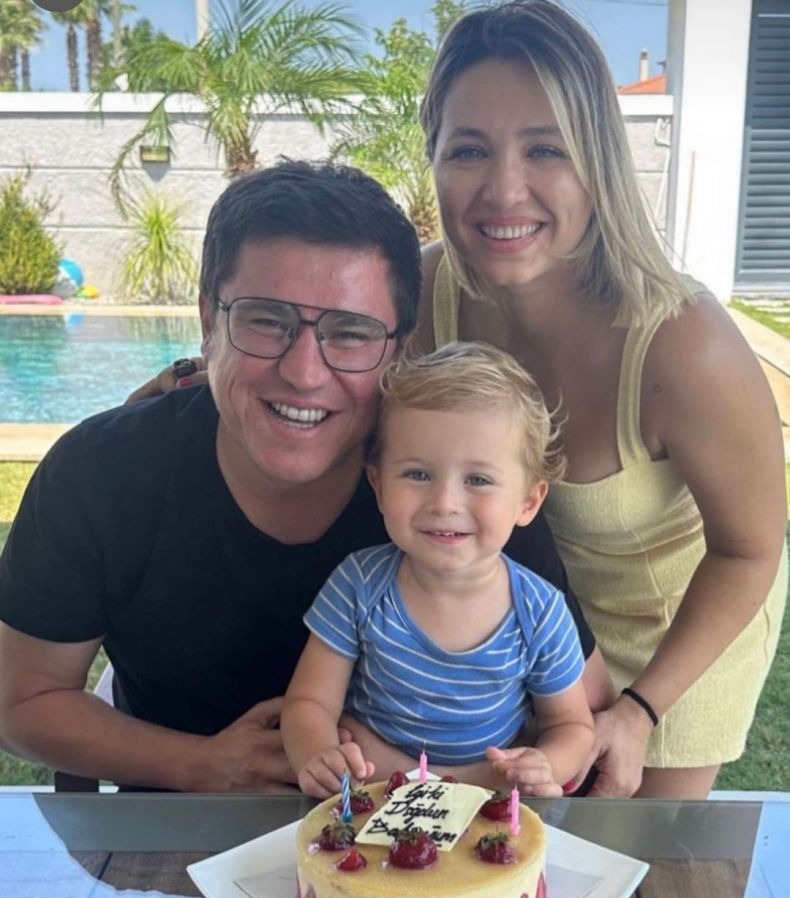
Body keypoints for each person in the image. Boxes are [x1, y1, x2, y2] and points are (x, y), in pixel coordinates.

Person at [0, 160, 608, 792]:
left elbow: (580, 707)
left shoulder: (456, 488)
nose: (304, 373)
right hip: (178, 826)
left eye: (351, 332)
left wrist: (460, 776)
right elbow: (21, 704)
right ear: (209, 324)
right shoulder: (102, 474)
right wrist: (201, 766)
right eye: (266, 320)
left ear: (398, 350)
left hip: (411, 838)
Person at [415, 0, 787, 799]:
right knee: (505, 855)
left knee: (643, 869)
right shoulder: (424, 294)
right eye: (469, 149)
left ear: (598, 162)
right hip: (526, 631)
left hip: (673, 642)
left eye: (545, 148)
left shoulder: (684, 342)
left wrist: (641, 712)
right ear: (434, 160)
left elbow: (751, 548)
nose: (503, 189)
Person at [282, 341, 595, 798]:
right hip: (375, 803)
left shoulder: (541, 612)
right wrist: (317, 756)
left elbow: (571, 726)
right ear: (378, 485)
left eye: (478, 480)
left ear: (528, 501)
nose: (445, 503)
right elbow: (308, 702)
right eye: (418, 474)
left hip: (488, 811)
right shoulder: (358, 585)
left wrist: (546, 764)